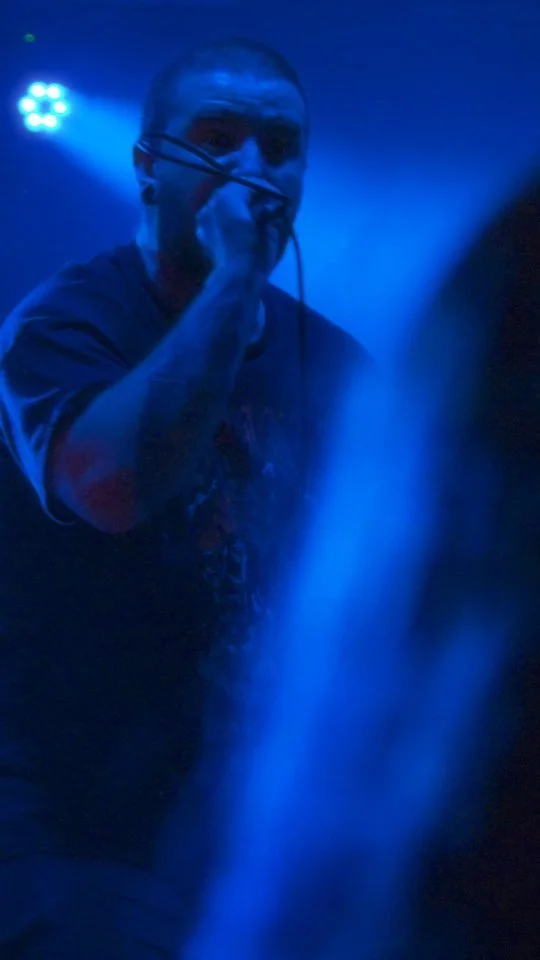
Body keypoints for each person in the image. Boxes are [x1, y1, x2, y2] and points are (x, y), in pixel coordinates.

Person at [0, 36, 367, 959]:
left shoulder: (337, 367)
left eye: (280, 147)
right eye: (217, 138)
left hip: (243, 831)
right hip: (78, 837)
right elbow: (111, 488)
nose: (252, 169)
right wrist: (235, 276)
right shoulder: (67, 323)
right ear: (145, 166)